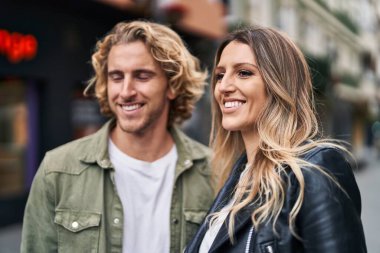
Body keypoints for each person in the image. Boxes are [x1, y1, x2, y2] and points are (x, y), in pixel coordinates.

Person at [21, 20, 215, 253]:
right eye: (116, 77)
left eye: (142, 76)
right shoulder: (58, 170)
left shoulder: (214, 172)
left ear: (172, 85)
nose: (126, 92)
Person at [185, 26, 367, 253]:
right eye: (220, 75)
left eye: (244, 73)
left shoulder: (315, 169)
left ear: (278, 83)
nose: (224, 86)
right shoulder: (238, 176)